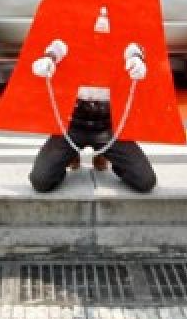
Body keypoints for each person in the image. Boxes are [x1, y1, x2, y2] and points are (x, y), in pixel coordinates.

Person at [28, 12, 157, 193]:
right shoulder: (76, 30)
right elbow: (59, 45)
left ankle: (107, 155)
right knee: (41, 181)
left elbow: (132, 46)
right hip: (73, 121)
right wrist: (49, 58)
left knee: (145, 181)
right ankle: (71, 154)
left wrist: (137, 59)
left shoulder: (118, 32)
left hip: (107, 124)